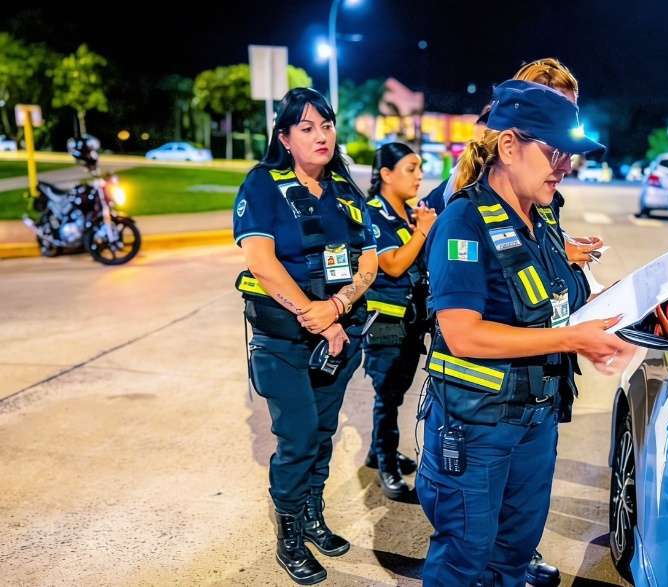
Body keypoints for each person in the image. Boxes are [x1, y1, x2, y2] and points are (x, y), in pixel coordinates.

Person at [416, 79, 638, 586]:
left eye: (569, 155)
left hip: (535, 424)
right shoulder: (463, 222)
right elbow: (463, 334)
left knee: (514, 555)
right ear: (510, 146)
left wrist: (635, 305)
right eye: (554, 151)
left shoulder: (542, 222)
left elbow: (562, 305)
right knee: (463, 560)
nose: (565, 165)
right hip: (478, 429)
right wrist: (571, 341)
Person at [232, 87, 378, 585]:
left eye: (327, 126)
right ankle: (290, 535)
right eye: (307, 128)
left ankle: (313, 516)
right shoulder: (262, 185)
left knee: (321, 432)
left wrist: (337, 307)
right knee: (296, 436)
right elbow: (261, 261)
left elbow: (369, 259)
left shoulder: (345, 189)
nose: (321, 136)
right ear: (285, 138)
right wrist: (312, 313)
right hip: (282, 341)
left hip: (337, 338)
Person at [360, 142, 437, 500]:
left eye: (419, 168)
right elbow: (391, 264)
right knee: (387, 396)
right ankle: (386, 466)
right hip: (385, 322)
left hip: (410, 321)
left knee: (397, 391)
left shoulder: (408, 213)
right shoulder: (373, 214)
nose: (419, 176)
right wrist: (422, 231)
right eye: (411, 168)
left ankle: (378, 450)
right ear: (386, 175)